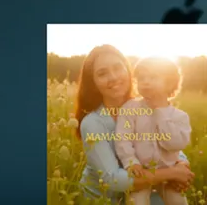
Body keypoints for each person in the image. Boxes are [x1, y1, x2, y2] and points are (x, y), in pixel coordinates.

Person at [75, 45, 194, 203]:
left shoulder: (147, 105)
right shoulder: (92, 123)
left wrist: (182, 164)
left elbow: (165, 144)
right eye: (102, 73)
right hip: (106, 199)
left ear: (128, 71)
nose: (113, 77)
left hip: (147, 188)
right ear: (93, 83)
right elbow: (112, 179)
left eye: (118, 68)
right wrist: (172, 173)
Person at [113, 57, 192, 205]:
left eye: (153, 77)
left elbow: (175, 144)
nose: (146, 82)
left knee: (178, 201)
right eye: (141, 78)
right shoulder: (130, 108)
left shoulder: (180, 117)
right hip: (141, 171)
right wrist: (131, 162)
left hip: (169, 173)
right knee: (136, 202)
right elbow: (123, 138)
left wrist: (160, 112)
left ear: (169, 83)